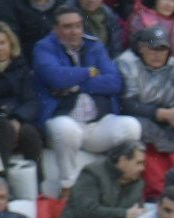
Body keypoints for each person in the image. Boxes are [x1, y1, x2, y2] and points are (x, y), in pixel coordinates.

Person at [35, 5, 142, 192]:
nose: (74, 31)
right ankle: (67, 186)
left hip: (97, 122)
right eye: (67, 27)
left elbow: (115, 82)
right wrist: (89, 72)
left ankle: (117, 180)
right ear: (56, 29)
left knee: (132, 127)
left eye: (78, 25)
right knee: (66, 130)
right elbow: (55, 77)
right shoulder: (44, 47)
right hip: (64, 119)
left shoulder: (94, 45)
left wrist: (76, 84)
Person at [118, 26, 174, 192]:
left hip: (171, 113)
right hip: (143, 115)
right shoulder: (127, 62)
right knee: (138, 126)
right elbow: (127, 103)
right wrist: (163, 114)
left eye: (162, 49)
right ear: (141, 47)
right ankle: (154, 187)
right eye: (152, 49)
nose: (157, 54)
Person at [0, 23, 44, 168]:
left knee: (29, 133)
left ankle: (37, 185)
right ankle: (2, 179)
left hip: (20, 118)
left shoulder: (22, 68)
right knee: (5, 128)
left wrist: (17, 119)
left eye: (2, 43)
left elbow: (32, 101)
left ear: (10, 44)